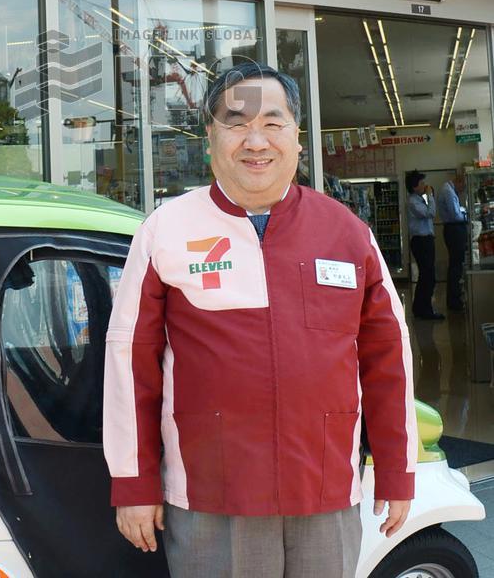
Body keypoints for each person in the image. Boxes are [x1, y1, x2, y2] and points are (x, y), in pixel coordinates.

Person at [103, 61, 416, 578]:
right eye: (236, 123)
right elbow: (128, 361)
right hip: (210, 495)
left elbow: (389, 358)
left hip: (326, 488)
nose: (256, 141)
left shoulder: (347, 232)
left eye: (273, 123)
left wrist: (397, 472)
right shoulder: (167, 230)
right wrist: (134, 484)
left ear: (297, 139)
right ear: (210, 137)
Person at [405, 171, 442, 321]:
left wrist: (428, 196)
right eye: (421, 183)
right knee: (428, 276)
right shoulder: (413, 201)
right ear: (414, 187)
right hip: (421, 241)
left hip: (426, 240)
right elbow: (431, 213)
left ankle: (419, 308)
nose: (425, 186)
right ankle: (425, 310)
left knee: (426, 276)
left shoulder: (420, 199)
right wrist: (431, 196)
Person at [436, 172, 468, 312]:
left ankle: (454, 299)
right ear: (459, 181)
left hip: (453, 229)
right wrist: (467, 215)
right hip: (454, 230)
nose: (463, 190)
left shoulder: (448, 189)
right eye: (463, 186)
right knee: (455, 266)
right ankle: (454, 301)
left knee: (455, 265)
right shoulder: (448, 191)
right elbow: (455, 215)